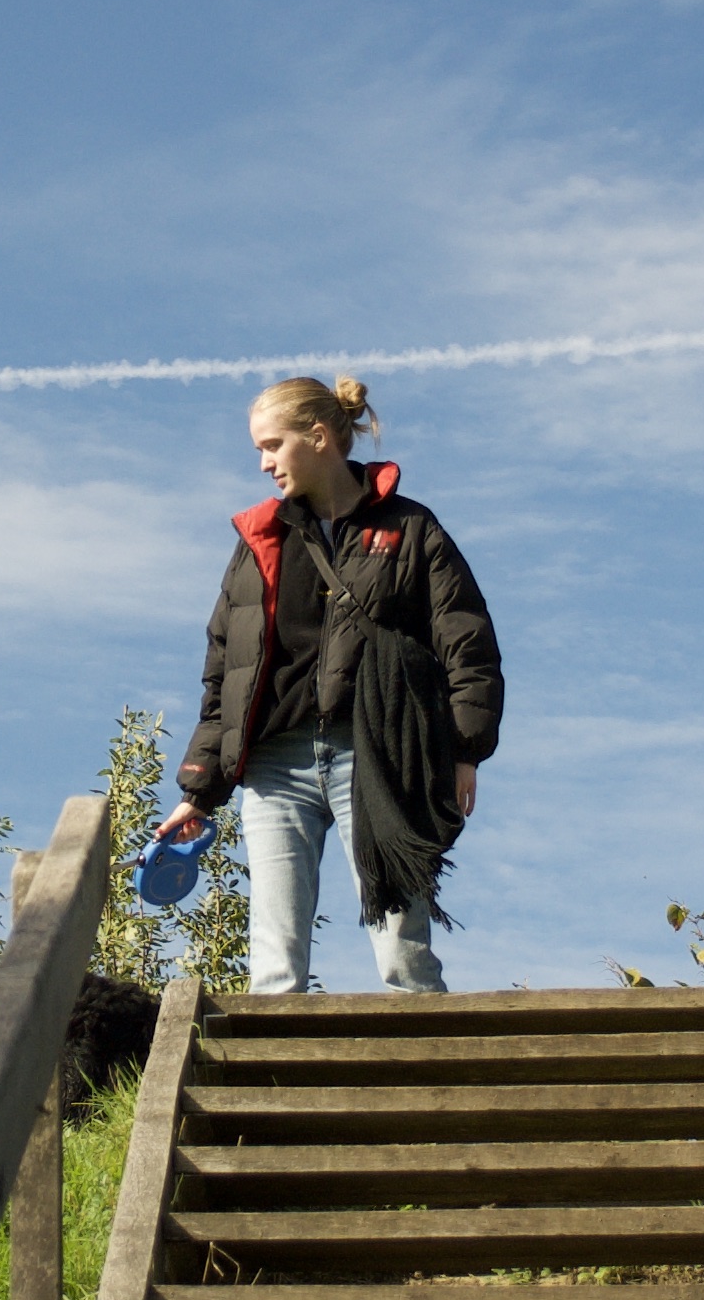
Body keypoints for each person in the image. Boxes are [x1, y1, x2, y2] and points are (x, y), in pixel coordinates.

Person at [152, 373, 503, 997]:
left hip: (377, 756)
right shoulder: (259, 542)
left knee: (405, 953)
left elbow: (467, 644)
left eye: (272, 445)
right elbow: (223, 675)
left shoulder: (410, 529)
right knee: (274, 967)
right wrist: (199, 791)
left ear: (317, 438)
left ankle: (435, 1080)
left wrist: (463, 747)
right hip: (272, 767)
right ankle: (267, 1090)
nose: (263, 464)